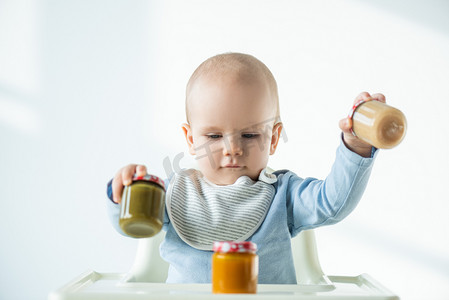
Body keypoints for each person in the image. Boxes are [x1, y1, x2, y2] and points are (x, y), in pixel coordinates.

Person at [106, 52, 383, 284]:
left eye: (250, 135)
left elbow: (332, 203)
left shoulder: (283, 196)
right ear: (191, 140)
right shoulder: (174, 193)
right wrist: (122, 193)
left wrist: (355, 149)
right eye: (214, 136)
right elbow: (131, 221)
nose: (232, 148)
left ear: (273, 138)